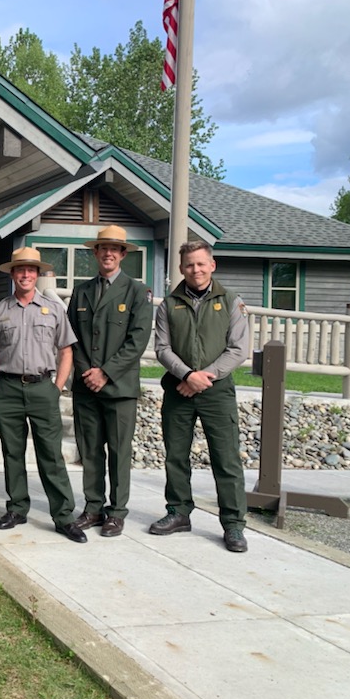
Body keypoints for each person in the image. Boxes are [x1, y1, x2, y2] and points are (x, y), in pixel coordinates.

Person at [0, 247, 86, 543]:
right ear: (12, 273)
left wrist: (57, 388)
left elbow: (66, 352)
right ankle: (17, 508)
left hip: (43, 388)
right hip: (8, 389)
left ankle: (63, 516)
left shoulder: (53, 309)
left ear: (37, 274)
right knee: (12, 452)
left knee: (50, 454)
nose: (26, 274)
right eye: (20, 269)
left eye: (31, 269)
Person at [151, 241, 250, 552]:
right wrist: (186, 375)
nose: (195, 269)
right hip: (178, 390)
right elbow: (162, 349)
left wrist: (203, 377)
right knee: (175, 456)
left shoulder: (231, 301)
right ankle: (178, 512)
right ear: (181, 268)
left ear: (212, 265)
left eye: (200, 263)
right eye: (189, 265)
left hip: (216, 391)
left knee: (226, 458)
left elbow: (238, 349)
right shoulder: (168, 304)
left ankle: (233, 524)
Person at [67, 225, 152, 538]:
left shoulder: (137, 291)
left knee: (118, 451)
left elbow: (137, 340)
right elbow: (70, 336)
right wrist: (86, 372)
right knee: (89, 450)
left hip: (119, 388)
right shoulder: (82, 291)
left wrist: (105, 372)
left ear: (123, 254)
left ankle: (116, 512)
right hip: (86, 387)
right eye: (103, 248)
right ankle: (93, 507)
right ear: (95, 252)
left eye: (115, 249)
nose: (108, 253)